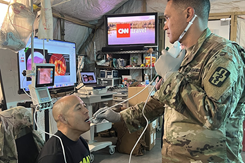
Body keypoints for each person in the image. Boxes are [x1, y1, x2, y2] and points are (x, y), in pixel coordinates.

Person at [94, 0, 245, 162]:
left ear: (188, 14)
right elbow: (159, 103)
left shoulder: (223, 54)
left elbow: (215, 116)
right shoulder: (184, 57)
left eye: (167, 18)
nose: (165, 26)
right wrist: (119, 117)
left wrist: (171, 77)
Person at [37, 95, 91, 163]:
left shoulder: (80, 140)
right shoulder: (54, 156)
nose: (86, 111)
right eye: (79, 108)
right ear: (63, 119)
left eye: (84, 106)